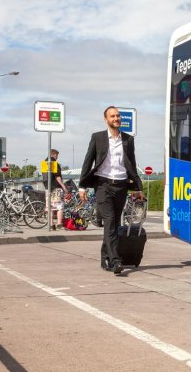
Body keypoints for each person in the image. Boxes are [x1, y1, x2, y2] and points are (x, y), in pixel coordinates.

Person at [78, 106, 144, 275]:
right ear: (106, 119)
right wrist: (82, 186)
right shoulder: (97, 137)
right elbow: (88, 161)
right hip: (103, 185)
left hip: (121, 185)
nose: (116, 118)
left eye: (118, 116)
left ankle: (105, 258)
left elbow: (132, 164)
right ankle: (115, 261)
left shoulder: (128, 139)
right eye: (112, 116)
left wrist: (137, 188)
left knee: (114, 224)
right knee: (110, 220)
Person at [43, 149, 68, 230]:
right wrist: (64, 187)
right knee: (59, 206)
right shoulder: (54, 163)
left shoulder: (44, 163)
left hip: (47, 188)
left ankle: (51, 224)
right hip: (56, 188)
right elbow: (57, 176)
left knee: (49, 207)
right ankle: (59, 223)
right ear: (54, 155)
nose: (57, 157)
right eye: (57, 155)